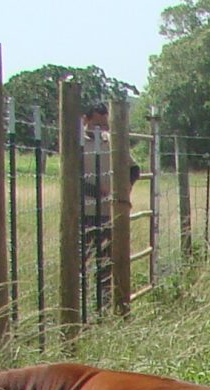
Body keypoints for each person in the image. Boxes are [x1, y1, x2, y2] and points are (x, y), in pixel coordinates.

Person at [79, 102, 140, 308]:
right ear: (85, 120)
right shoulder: (76, 144)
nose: (101, 130)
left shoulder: (110, 142)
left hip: (108, 214)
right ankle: (81, 306)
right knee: (82, 264)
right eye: (97, 124)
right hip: (84, 213)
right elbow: (74, 180)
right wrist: (100, 192)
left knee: (106, 265)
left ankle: (103, 307)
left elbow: (134, 169)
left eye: (104, 125)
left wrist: (123, 192)